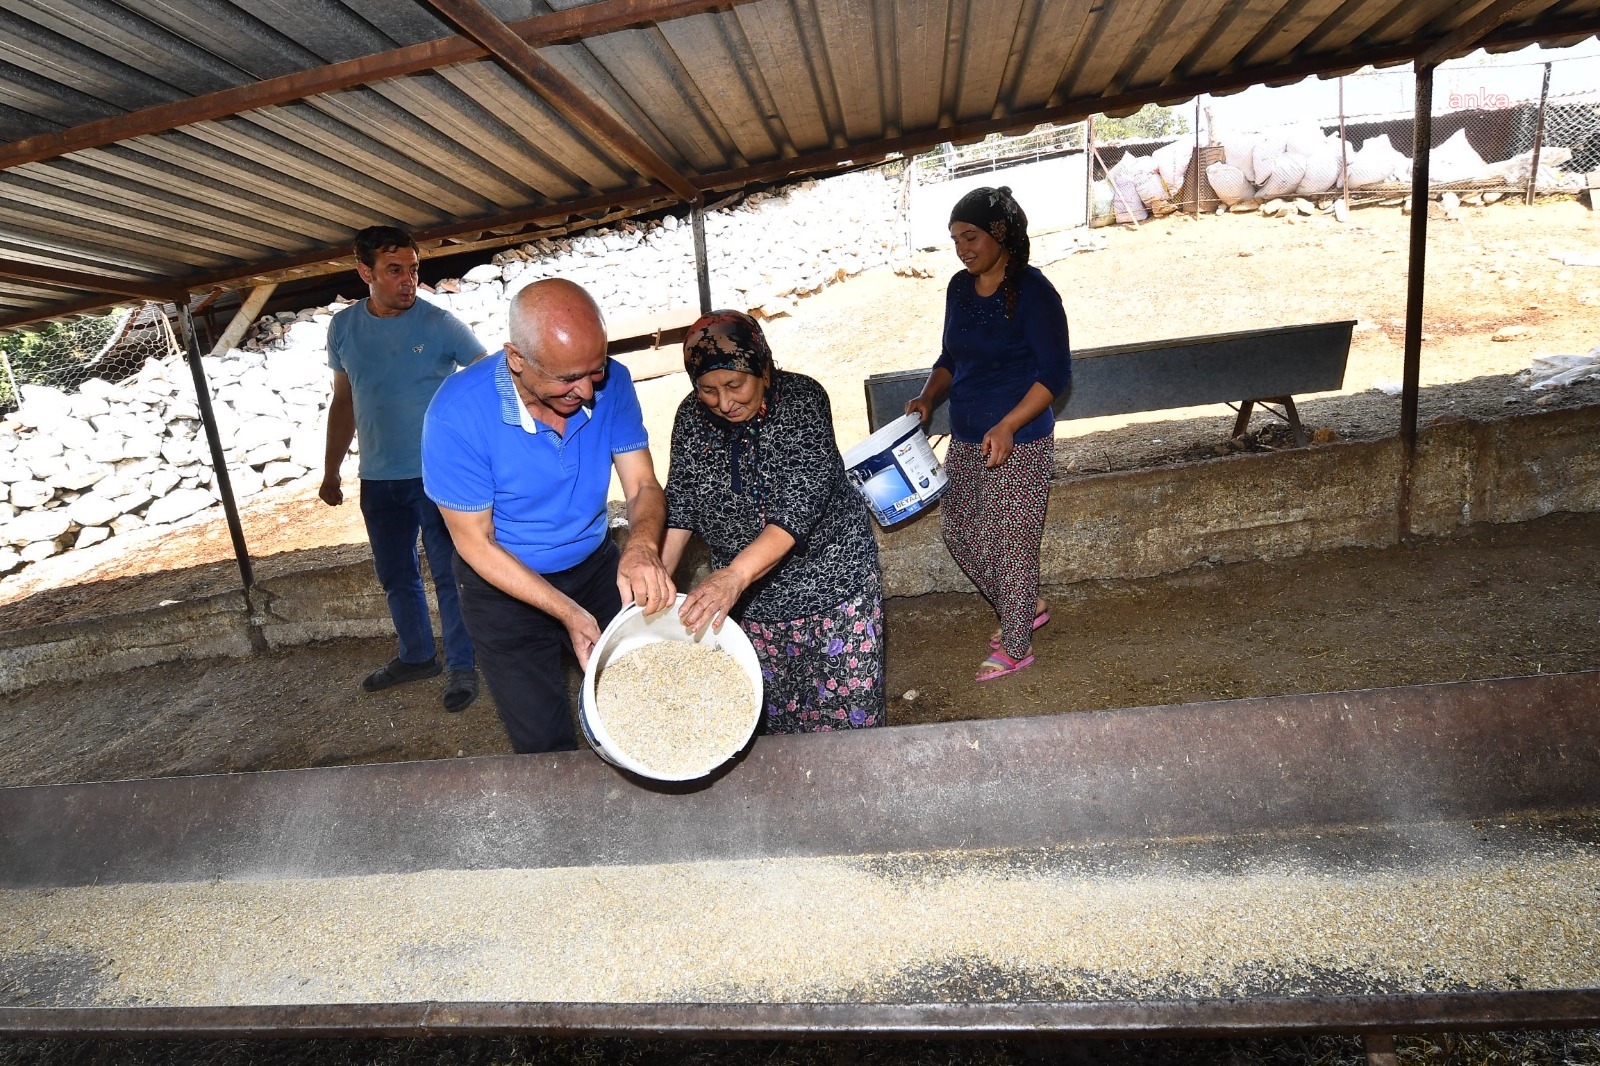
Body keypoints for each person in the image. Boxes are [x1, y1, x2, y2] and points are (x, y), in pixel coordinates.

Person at [421, 279, 676, 754]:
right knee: (543, 740)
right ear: (516, 358)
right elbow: (476, 542)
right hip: (504, 588)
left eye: (595, 370)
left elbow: (642, 484)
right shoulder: (456, 415)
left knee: (638, 705)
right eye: (567, 378)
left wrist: (641, 547)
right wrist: (567, 612)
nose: (587, 390)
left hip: (596, 569)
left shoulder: (613, 382)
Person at [661, 310, 886, 734]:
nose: (723, 402)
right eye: (707, 389)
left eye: (735, 385)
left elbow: (797, 510)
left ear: (763, 369)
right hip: (752, 603)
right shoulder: (690, 418)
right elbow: (682, 502)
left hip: (830, 590)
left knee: (843, 722)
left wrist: (733, 577)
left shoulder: (803, 401)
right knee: (772, 721)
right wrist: (660, 576)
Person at [905, 186, 1070, 682]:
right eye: (956, 239)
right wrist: (927, 397)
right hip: (967, 436)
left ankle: (1017, 646)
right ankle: (1025, 605)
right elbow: (951, 358)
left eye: (971, 237)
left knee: (1012, 543)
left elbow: (1054, 375)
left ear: (1001, 234)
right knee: (959, 532)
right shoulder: (959, 288)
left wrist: (1009, 424)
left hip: (1020, 440)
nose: (962, 249)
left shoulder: (1035, 293)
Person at [322, 225, 484, 711]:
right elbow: (344, 401)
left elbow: (488, 379)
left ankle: (462, 665)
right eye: (394, 270)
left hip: (437, 477)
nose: (408, 279)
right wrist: (331, 471)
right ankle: (417, 655)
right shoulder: (343, 328)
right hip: (377, 479)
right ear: (364, 273)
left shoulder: (439, 324)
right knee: (395, 574)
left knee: (450, 573)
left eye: (413, 269)